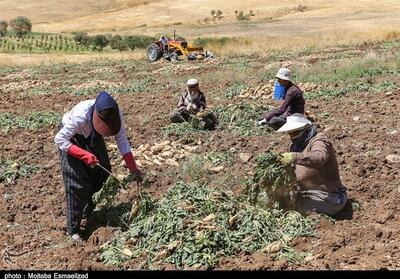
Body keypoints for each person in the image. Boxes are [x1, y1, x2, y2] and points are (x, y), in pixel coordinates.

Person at [54, 91, 142, 241]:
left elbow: (122, 141)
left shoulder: (115, 114)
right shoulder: (80, 116)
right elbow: (60, 139)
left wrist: (133, 168)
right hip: (72, 139)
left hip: (93, 134)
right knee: (77, 182)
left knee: (103, 171)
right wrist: (84, 155)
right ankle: (73, 230)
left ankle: (88, 211)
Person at [277, 113, 347, 216]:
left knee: (292, 211)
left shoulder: (319, 140)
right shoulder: (295, 146)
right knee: (277, 202)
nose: (292, 137)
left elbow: (319, 158)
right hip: (306, 193)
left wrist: (293, 157)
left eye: (295, 133)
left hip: (330, 197)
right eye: (290, 134)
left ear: (306, 129)